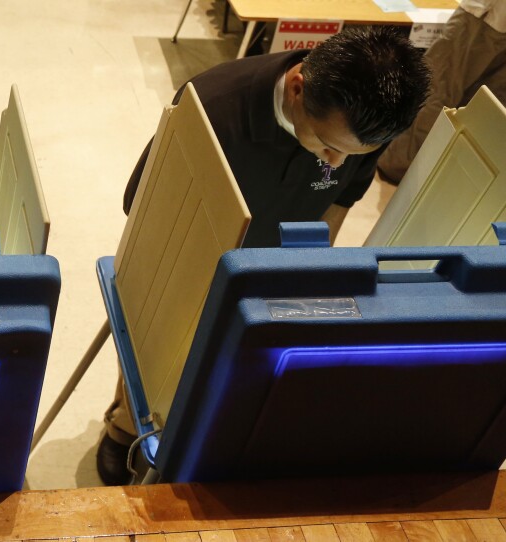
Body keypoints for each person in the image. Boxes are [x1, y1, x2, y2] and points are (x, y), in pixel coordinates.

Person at [100, 26, 431, 486]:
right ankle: (123, 427)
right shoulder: (213, 108)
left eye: (353, 153)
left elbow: (340, 200)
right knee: (156, 352)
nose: (336, 163)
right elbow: (145, 211)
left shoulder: (363, 119)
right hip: (190, 254)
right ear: (298, 88)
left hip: (268, 266)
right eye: (327, 146)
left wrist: (307, 269)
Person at [377, 0, 506, 183]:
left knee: (438, 86)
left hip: (488, 13)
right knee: (486, 101)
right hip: (492, 15)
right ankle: (449, 171)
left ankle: (398, 166)